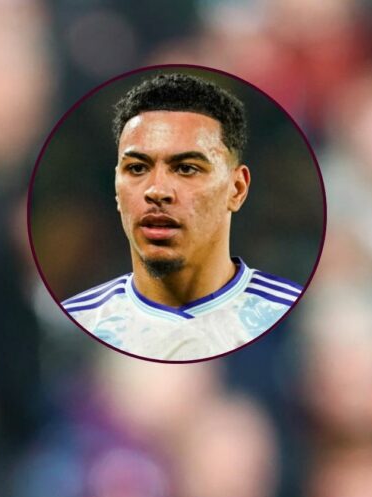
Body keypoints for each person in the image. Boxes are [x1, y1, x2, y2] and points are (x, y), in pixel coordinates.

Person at [61, 73, 304, 361]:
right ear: (116, 187)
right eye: (137, 168)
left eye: (187, 168)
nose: (157, 191)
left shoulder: (289, 317)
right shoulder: (78, 325)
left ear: (237, 189)